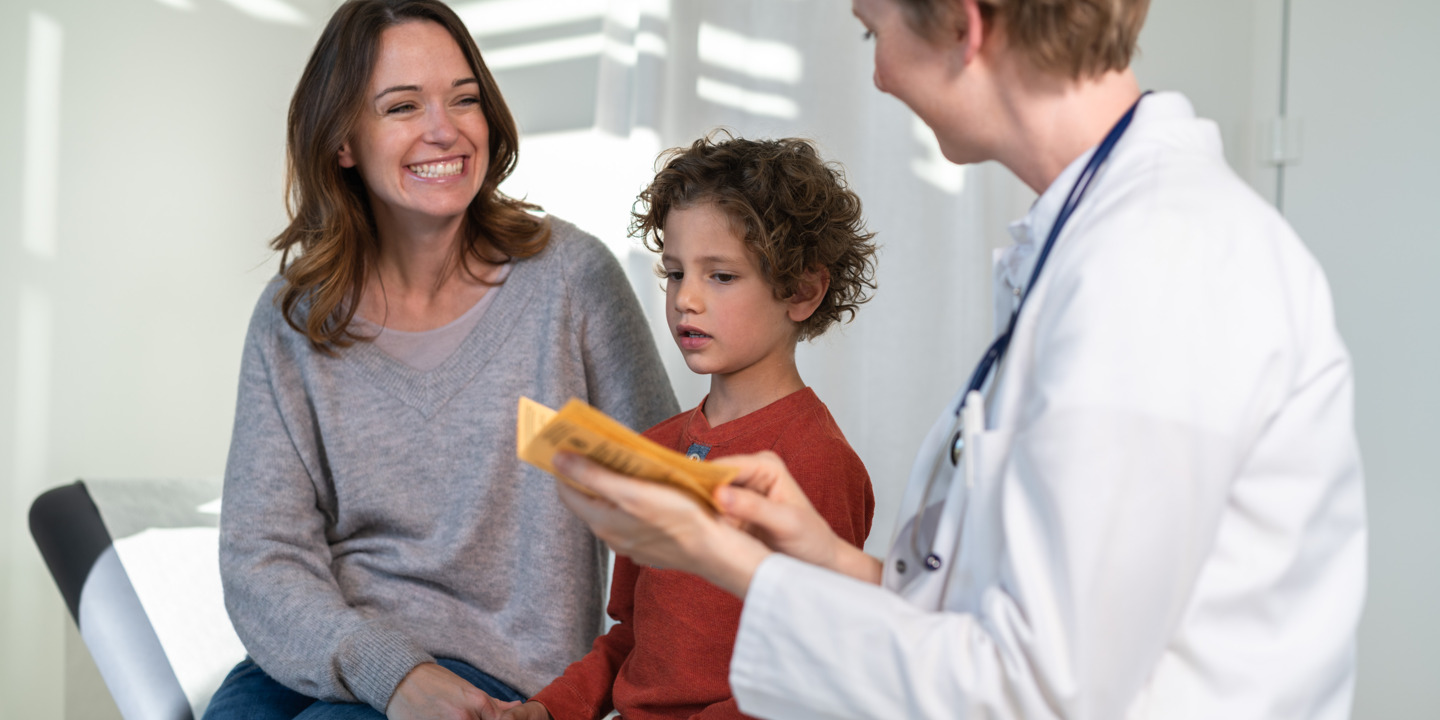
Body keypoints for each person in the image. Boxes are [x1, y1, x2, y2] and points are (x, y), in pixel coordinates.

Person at [544, 1, 1368, 719]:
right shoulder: (1090, 244)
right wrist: (829, 560)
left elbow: (1043, 694)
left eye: (873, 35)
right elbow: (1000, 617)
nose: (880, 79)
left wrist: (718, 555)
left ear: (964, 27)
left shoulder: (1156, 264)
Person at [206, 1, 677, 718]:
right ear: (342, 142)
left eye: (464, 99)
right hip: (329, 657)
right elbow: (262, 559)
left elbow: (668, 510)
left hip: (502, 674)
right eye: (402, 106)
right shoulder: (295, 318)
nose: (444, 129)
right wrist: (393, 675)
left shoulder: (572, 281)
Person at [500, 136, 878, 720]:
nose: (686, 301)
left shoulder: (818, 461)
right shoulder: (654, 446)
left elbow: (812, 674)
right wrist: (549, 709)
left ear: (802, 291)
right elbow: (630, 639)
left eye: (721, 276)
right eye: (676, 274)